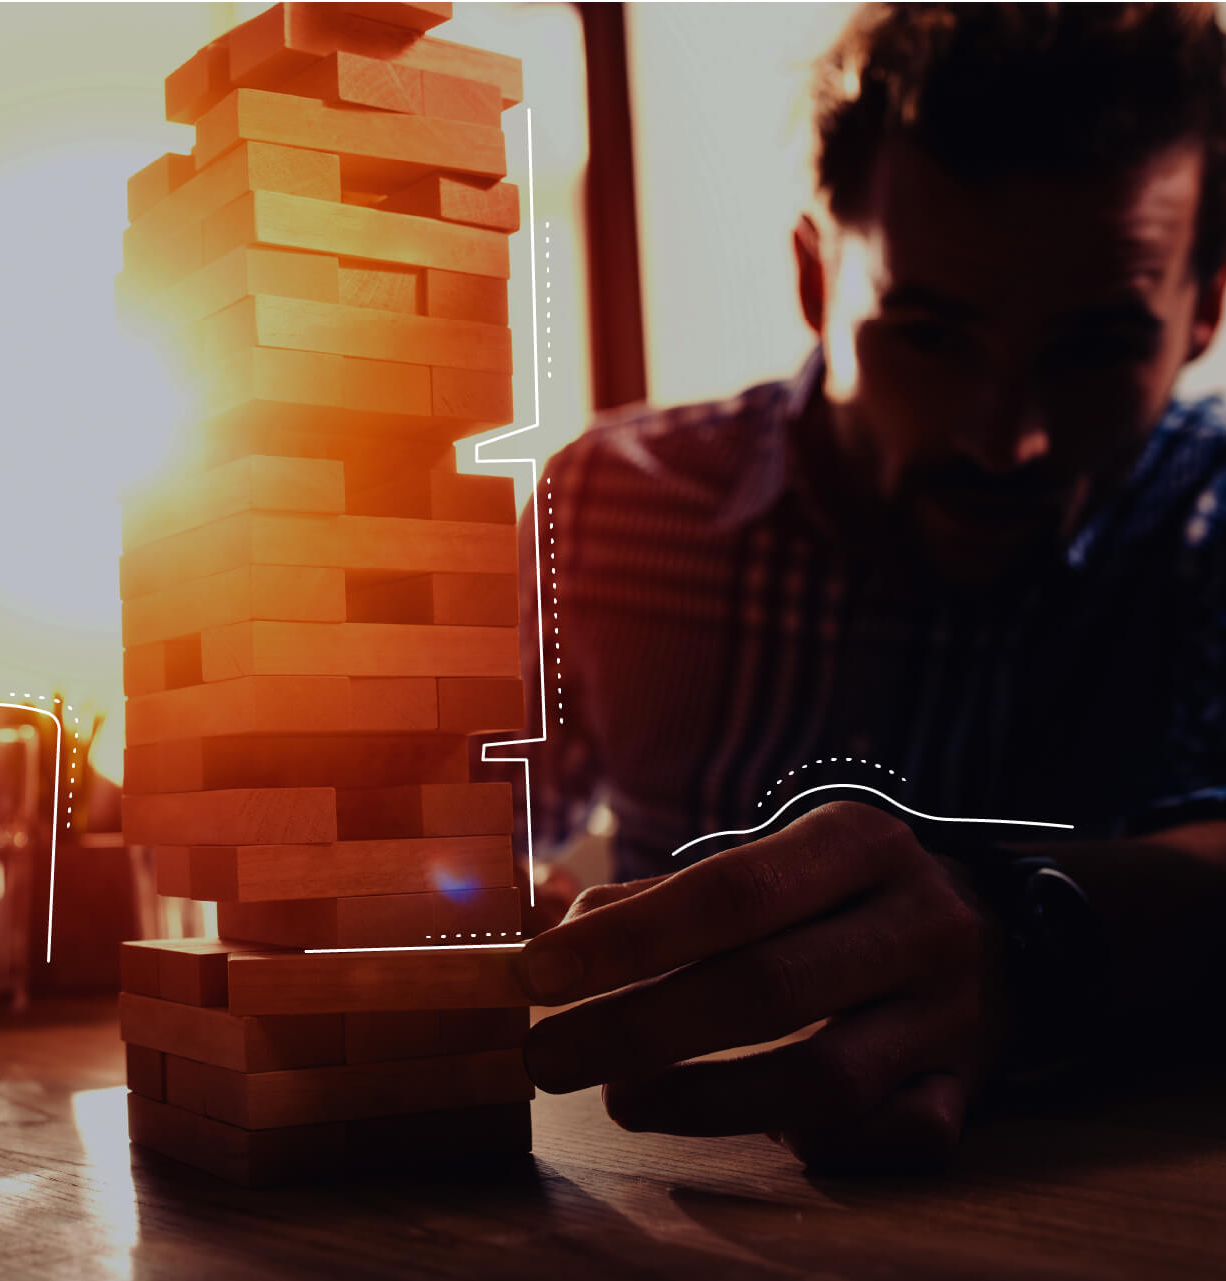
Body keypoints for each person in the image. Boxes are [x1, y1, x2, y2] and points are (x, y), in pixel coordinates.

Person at [514, 3, 1226, 1173]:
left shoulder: (1207, 529)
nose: (1009, 441)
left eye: (1093, 348)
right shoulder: (608, 509)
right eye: (930, 336)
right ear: (811, 277)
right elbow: (463, 853)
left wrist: (1027, 938)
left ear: (1202, 309)